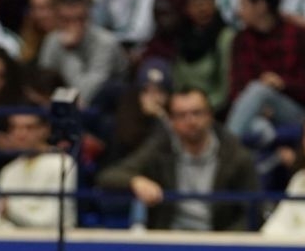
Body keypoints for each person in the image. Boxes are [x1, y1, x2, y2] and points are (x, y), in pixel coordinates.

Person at [96, 86, 260, 231]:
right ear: (172, 121)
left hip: (217, 241)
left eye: (197, 113)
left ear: (210, 115)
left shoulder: (235, 154)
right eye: (181, 115)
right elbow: (109, 176)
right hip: (171, 238)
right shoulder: (160, 149)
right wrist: (135, 181)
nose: (190, 121)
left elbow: (253, 210)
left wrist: (229, 239)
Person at [226, 0, 305, 148]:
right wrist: (259, 107)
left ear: (261, 6)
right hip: (256, 113)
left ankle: (224, 153)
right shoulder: (241, 40)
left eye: (244, 5)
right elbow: (236, 89)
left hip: (296, 111)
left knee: (260, 90)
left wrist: (282, 84)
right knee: (258, 127)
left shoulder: (299, 35)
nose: (239, 12)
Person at [0, 111, 77, 229]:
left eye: (29, 128)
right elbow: (4, 226)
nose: (21, 134)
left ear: (44, 130)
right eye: (15, 128)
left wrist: (10, 209)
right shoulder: (9, 170)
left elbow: (51, 223)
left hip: (53, 245)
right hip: (14, 244)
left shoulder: (62, 164)